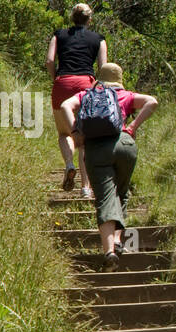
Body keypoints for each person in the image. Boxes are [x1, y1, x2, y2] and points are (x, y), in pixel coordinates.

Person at [59, 63, 158, 269]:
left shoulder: (87, 94)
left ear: (98, 79)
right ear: (119, 80)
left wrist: (76, 131)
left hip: (97, 149)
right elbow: (152, 102)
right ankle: (118, 240)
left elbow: (65, 106)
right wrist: (132, 126)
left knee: (105, 197)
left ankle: (109, 251)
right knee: (121, 193)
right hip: (125, 144)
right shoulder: (127, 95)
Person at [47, 3, 107, 194]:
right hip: (86, 85)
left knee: (65, 133)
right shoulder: (98, 39)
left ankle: (69, 164)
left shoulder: (59, 35)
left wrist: (55, 78)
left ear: (72, 18)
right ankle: (86, 188)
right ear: (90, 19)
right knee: (84, 139)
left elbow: (49, 60)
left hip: (62, 83)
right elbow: (103, 68)